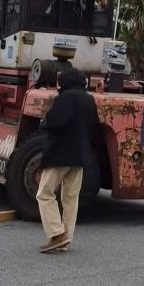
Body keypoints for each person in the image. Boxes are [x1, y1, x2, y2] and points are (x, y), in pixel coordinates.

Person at [35, 68, 101, 254]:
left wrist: (45, 121)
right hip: (80, 155)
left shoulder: (65, 98)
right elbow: (94, 126)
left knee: (45, 193)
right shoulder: (89, 99)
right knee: (71, 198)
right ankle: (66, 237)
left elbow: (56, 123)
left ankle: (57, 233)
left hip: (60, 153)